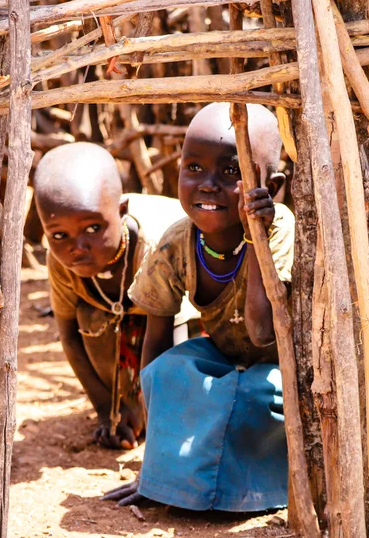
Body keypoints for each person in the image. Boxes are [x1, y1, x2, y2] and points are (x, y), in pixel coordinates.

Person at [103, 103, 292, 512]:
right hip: (222, 362)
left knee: (256, 395)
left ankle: (254, 496)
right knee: (170, 372)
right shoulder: (177, 242)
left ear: (271, 185)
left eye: (231, 172)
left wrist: (255, 234)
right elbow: (154, 356)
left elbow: (263, 332)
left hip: (283, 371)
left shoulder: (282, 230)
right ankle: (177, 485)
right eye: (193, 168)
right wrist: (157, 466)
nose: (207, 184)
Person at [33, 142, 196, 449]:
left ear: (121, 212)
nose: (76, 247)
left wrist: (165, 424)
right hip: (128, 327)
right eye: (58, 235)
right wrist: (108, 414)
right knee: (89, 316)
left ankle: (166, 414)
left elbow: (176, 340)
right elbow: (69, 336)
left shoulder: (158, 245)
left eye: (93, 228)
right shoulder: (61, 263)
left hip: (184, 331)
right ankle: (126, 408)